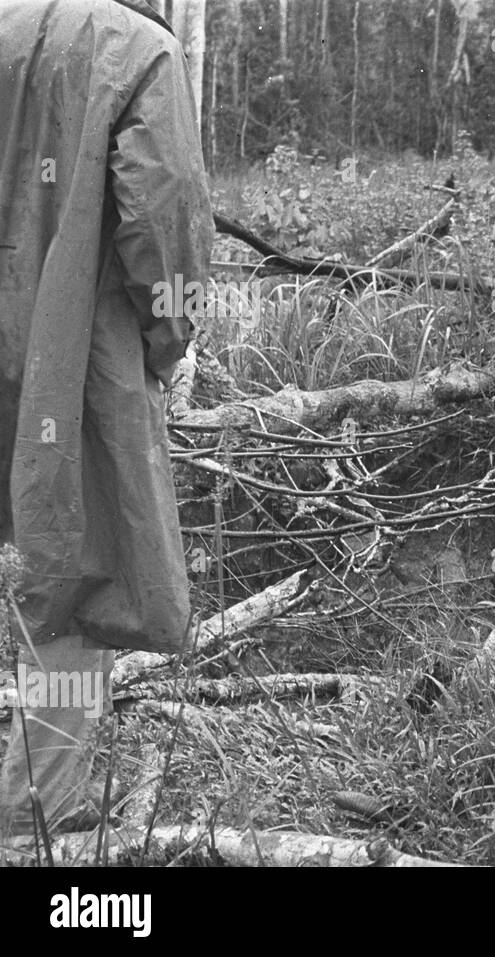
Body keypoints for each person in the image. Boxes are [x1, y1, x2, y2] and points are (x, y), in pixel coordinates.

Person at [0, 0, 213, 841]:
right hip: (72, 350)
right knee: (75, 561)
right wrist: (173, 338)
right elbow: (164, 212)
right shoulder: (139, 50)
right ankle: (35, 808)